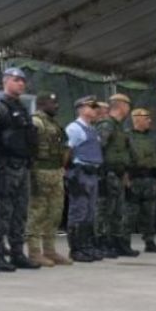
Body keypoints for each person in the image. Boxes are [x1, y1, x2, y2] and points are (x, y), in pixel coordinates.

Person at [0, 68, 40, 271]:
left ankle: (17, 252)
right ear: (5, 81)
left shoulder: (21, 107)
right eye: (16, 80)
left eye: (22, 81)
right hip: (5, 166)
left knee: (20, 212)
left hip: (22, 165)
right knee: (0, 211)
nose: (21, 84)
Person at [27, 92, 71, 267]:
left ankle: (50, 250)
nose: (56, 106)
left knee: (54, 213)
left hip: (56, 172)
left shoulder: (54, 124)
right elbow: (30, 148)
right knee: (37, 212)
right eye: (53, 103)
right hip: (40, 172)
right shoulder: (36, 122)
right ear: (42, 104)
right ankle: (34, 252)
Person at [96, 94, 139, 258]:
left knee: (117, 212)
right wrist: (101, 173)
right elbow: (99, 148)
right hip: (108, 173)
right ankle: (102, 242)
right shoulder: (107, 124)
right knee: (105, 210)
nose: (129, 109)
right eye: (128, 105)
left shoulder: (119, 126)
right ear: (121, 106)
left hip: (119, 175)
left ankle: (116, 242)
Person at [64, 97, 103, 263]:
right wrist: (67, 171)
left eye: (96, 107)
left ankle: (87, 246)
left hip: (92, 173)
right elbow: (67, 151)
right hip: (80, 172)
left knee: (89, 212)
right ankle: (76, 248)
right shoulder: (74, 128)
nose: (95, 110)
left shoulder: (92, 129)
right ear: (80, 109)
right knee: (78, 211)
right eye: (91, 107)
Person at [127, 108, 156, 252]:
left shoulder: (154, 138)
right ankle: (124, 242)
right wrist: (125, 177)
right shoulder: (127, 136)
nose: (150, 120)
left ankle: (149, 241)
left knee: (150, 212)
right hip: (133, 178)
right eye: (146, 117)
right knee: (129, 212)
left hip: (150, 178)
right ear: (137, 119)